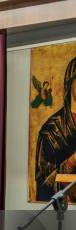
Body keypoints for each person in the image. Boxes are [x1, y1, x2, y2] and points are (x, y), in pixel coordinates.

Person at [35, 57, 76, 201]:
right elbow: (44, 181)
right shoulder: (51, 130)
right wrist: (71, 162)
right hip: (63, 210)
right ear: (70, 83)